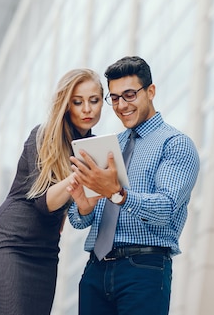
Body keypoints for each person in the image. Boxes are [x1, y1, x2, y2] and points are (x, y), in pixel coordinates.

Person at [67, 56, 200, 315]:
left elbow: (166, 208)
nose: (121, 105)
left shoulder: (175, 144)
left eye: (129, 95)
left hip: (144, 268)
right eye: (114, 98)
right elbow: (79, 221)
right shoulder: (107, 146)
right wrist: (83, 207)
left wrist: (117, 194)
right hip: (96, 269)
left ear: (150, 91)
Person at [0, 68, 104, 315]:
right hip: (9, 245)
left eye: (94, 100)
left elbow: (83, 209)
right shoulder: (45, 135)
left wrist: (88, 201)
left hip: (46, 254)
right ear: (66, 105)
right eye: (78, 102)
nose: (87, 109)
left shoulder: (93, 147)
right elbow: (43, 203)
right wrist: (80, 174)